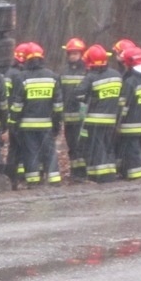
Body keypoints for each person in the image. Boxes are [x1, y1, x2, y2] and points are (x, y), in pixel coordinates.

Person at [9, 42, 63, 187]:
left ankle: (33, 181)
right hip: (46, 124)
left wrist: (13, 122)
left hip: (27, 125)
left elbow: (17, 105)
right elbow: (58, 105)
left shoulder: (22, 77)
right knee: (49, 152)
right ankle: (54, 179)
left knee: (31, 152)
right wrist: (57, 123)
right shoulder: (52, 77)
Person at [75, 44, 122, 183]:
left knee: (97, 146)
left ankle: (102, 176)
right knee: (108, 146)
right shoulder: (117, 75)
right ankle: (110, 172)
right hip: (112, 118)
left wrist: (87, 97)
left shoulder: (91, 77)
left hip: (95, 119)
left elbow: (77, 94)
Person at [115, 46, 141, 180]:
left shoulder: (130, 82)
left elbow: (123, 105)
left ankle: (136, 175)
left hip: (131, 124)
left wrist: (118, 121)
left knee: (132, 152)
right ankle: (126, 172)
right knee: (134, 150)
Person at [3, 42, 31, 189]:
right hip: (20, 117)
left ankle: (12, 177)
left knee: (14, 149)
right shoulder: (22, 75)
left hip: (11, 116)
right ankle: (18, 177)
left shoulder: (9, 73)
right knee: (22, 148)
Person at [60, 38, 87, 181]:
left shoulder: (87, 71)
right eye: (70, 54)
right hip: (68, 116)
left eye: (75, 54)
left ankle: (81, 172)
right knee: (71, 145)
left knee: (80, 146)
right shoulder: (63, 71)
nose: (72, 56)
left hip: (81, 117)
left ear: (81, 54)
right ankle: (74, 171)